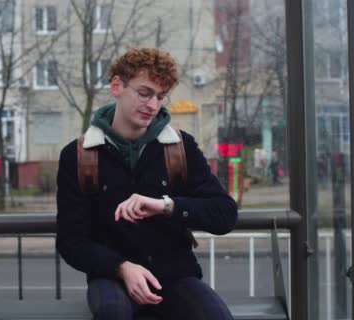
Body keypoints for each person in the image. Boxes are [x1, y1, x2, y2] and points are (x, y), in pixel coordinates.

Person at [56, 48, 238, 320]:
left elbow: (225, 214)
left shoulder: (179, 147)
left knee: (215, 316)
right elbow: (71, 240)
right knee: (112, 314)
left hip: (175, 276)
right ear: (117, 86)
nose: (153, 105)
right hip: (112, 278)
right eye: (144, 93)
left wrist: (166, 206)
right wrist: (121, 267)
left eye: (160, 96)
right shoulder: (80, 155)